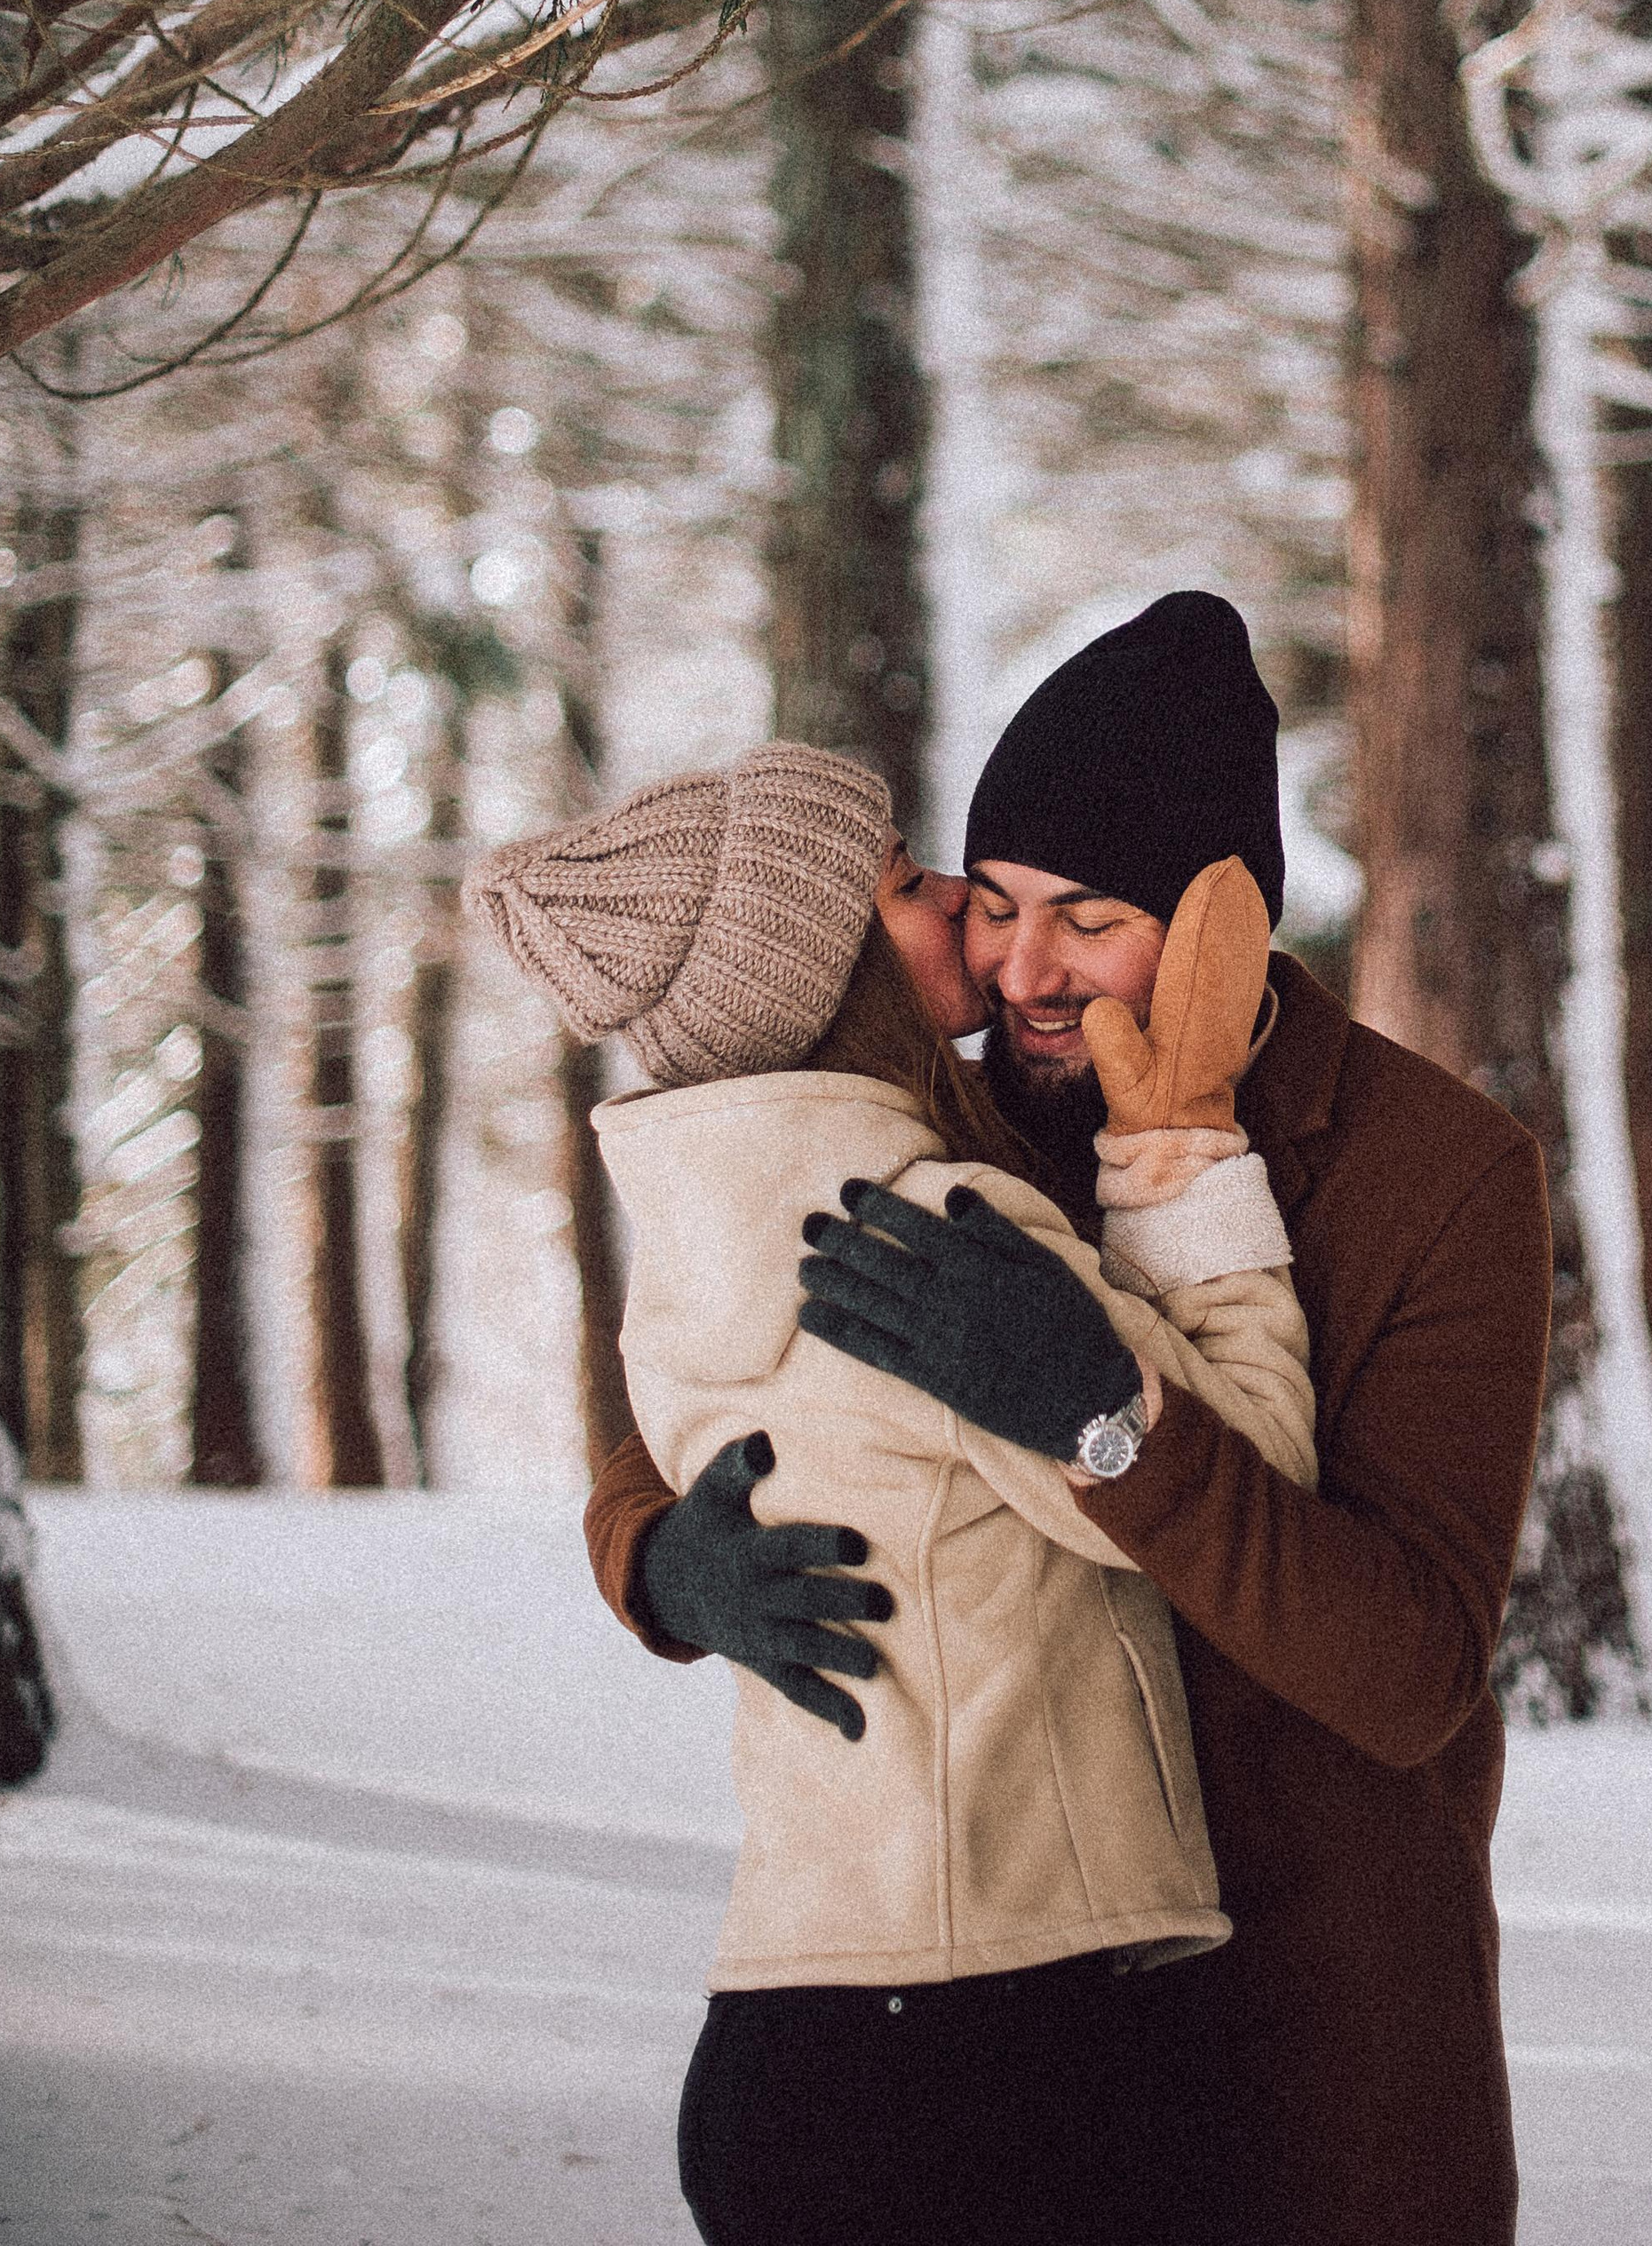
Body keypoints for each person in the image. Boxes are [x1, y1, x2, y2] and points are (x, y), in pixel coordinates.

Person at [586, 594, 1554, 2245]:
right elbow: (688, 1384)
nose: (1020, 969)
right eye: (997, 905)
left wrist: (1112, 1426)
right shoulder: (940, 1116)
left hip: (1304, 2011)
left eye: (1089, 919)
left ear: (1221, 923)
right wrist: (670, 1566)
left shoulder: (1434, 1175)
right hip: (990, 2006)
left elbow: (1408, 1676)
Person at [470, 737, 1314, 2246]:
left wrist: (661, 1567)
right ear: (839, 962)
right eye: (916, 886)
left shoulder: (685, 1266)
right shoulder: (937, 1233)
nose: (964, 920)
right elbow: (1254, 1478)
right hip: (990, 2055)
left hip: (784, 2039)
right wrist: (1182, 1156)